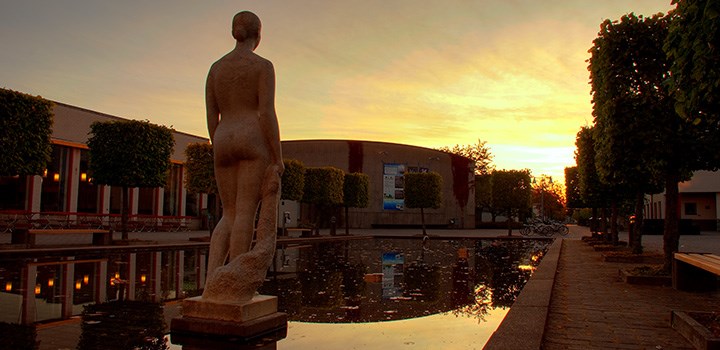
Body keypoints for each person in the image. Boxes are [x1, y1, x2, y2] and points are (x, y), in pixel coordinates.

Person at [205, 11, 284, 279]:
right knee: (245, 212)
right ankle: (233, 281)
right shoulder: (263, 66)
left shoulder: (216, 69)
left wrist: (219, 143)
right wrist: (277, 156)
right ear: (258, 34)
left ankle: (211, 280)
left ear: (233, 32)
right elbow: (266, 113)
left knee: (228, 213)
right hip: (252, 139)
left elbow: (211, 116)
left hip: (223, 137)